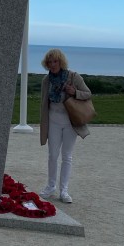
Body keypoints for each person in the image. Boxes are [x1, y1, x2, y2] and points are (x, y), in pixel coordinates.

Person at [39, 48, 92, 204]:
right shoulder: (46, 80)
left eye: (55, 61)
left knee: (67, 156)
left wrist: (75, 92)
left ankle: (64, 190)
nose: (52, 64)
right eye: (49, 62)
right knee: (52, 155)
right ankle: (50, 187)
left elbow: (88, 93)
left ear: (61, 62)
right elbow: (44, 103)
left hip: (70, 122)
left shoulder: (73, 77)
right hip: (53, 121)